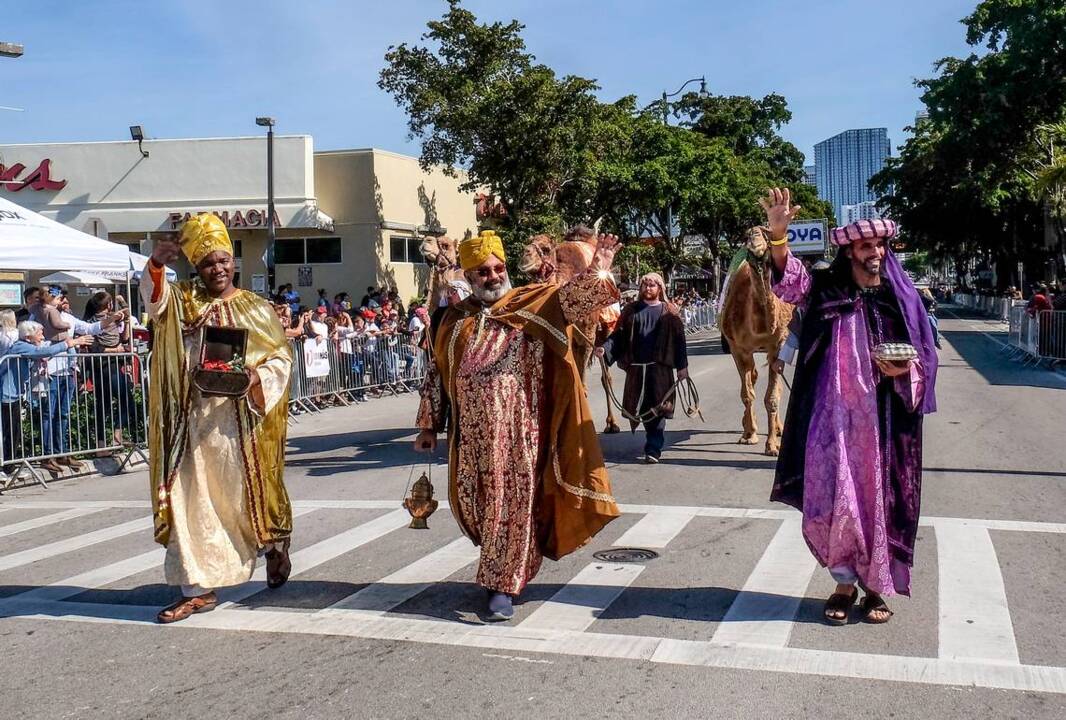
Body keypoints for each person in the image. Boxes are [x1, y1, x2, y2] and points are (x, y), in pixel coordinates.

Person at [414, 229, 621, 621]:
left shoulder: (532, 302)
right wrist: (429, 425)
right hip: (469, 439)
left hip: (518, 435)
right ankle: (500, 564)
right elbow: (437, 372)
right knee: (477, 508)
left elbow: (574, 300)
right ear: (469, 276)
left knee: (508, 507)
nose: (493, 276)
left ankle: (501, 586)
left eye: (498, 268)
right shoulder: (454, 319)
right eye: (483, 271)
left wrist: (599, 269)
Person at [764, 187, 938, 625]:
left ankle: (875, 587)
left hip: (883, 423)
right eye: (866, 246)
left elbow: (925, 353)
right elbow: (789, 282)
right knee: (835, 500)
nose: (875, 252)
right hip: (832, 420)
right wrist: (779, 235)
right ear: (849, 252)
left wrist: (906, 371)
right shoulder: (826, 287)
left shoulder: (901, 297)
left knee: (880, 502)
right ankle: (843, 583)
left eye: (879, 245)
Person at [142, 213, 294, 624]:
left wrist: (255, 378)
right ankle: (197, 588)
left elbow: (281, 358)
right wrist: (155, 265)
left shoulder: (256, 308)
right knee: (188, 501)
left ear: (233, 261)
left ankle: (274, 546)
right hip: (190, 424)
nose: (217, 268)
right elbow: (154, 302)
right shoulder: (182, 299)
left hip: (241, 426)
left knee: (244, 503)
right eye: (208, 263)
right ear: (196, 266)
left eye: (223, 260)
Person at [596, 272, 689, 464]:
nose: (648, 288)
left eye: (652, 285)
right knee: (643, 408)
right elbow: (618, 336)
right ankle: (651, 440)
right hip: (637, 370)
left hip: (660, 370)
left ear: (660, 289)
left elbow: (679, 342)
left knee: (659, 408)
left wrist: (682, 367)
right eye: (645, 285)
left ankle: (653, 447)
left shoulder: (669, 312)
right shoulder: (631, 311)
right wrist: (605, 349)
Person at [0, 320, 93, 475]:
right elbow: (43, 352)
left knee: (14, 432)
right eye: (39, 334)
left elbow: (43, 353)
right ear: (28, 336)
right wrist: (69, 343)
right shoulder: (21, 345)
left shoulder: (26, 346)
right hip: (7, 395)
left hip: (14, 395)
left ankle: (10, 467)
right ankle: (6, 467)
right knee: (8, 432)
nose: (42, 337)